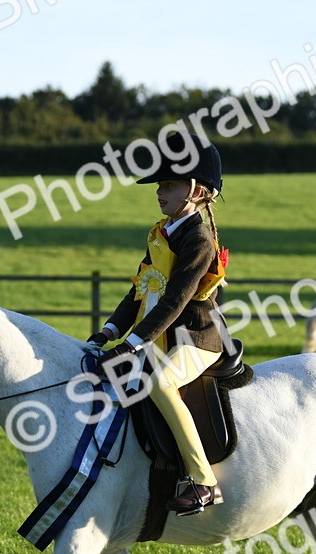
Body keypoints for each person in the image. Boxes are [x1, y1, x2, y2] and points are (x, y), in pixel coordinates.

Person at [88, 133, 229, 516]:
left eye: (169, 184)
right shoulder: (159, 233)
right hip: (157, 336)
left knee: (159, 382)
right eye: (160, 185)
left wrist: (134, 341)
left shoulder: (199, 239)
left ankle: (203, 481)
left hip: (196, 339)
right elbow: (139, 290)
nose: (160, 192)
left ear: (197, 191)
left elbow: (175, 299)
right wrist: (109, 332)